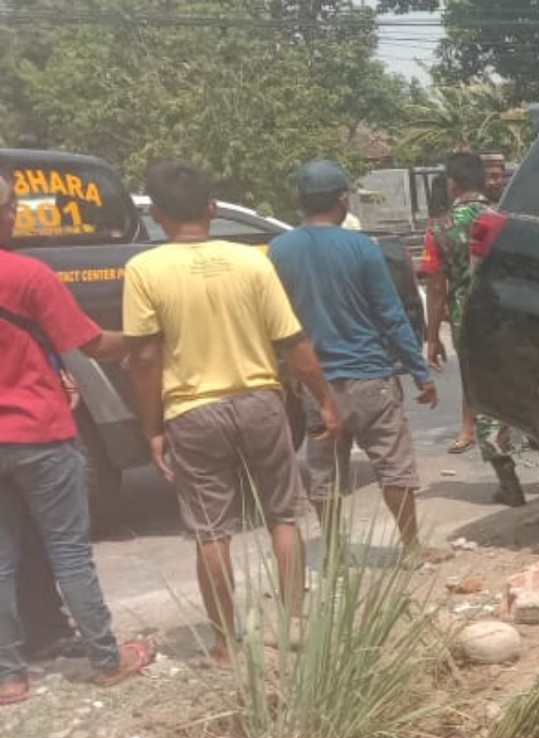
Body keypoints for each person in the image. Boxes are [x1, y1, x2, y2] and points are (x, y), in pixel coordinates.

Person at [124, 159, 341, 662]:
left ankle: (225, 642)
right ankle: (292, 625)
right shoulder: (251, 261)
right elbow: (295, 344)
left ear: (156, 215)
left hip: (193, 413)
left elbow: (144, 357)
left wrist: (151, 429)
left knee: (210, 530)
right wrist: (326, 401)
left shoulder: (144, 269)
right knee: (283, 517)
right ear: (213, 208)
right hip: (262, 403)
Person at [0, 162, 155, 704]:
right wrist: (143, 338)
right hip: (41, 432)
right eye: (11, 208)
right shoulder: (29, 276)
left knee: (3, 557)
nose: (16, 214)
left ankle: (9, 677)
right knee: (69, 551)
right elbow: (91, 343)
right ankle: (107, 659)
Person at [268, 160, 440, 553]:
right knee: (394, 468)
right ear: (342, 199)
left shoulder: (279, 250)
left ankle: (332, 552)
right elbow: (391, 314)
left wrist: (284, 374)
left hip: (317, 386)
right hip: (371, 379)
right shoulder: (362, 248)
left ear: (300, 200)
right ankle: (412, 549)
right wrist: (420, 373)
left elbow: (273, 322)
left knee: (324, 474)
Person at [426, 152, 525, 506]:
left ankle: (509, 482)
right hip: (515, 316)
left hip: (468, 322)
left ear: (452, 185)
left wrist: (431, 335)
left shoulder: (439, 228)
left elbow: (436, 286)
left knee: (485, 399)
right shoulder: (510, 219)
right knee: (530, 388)